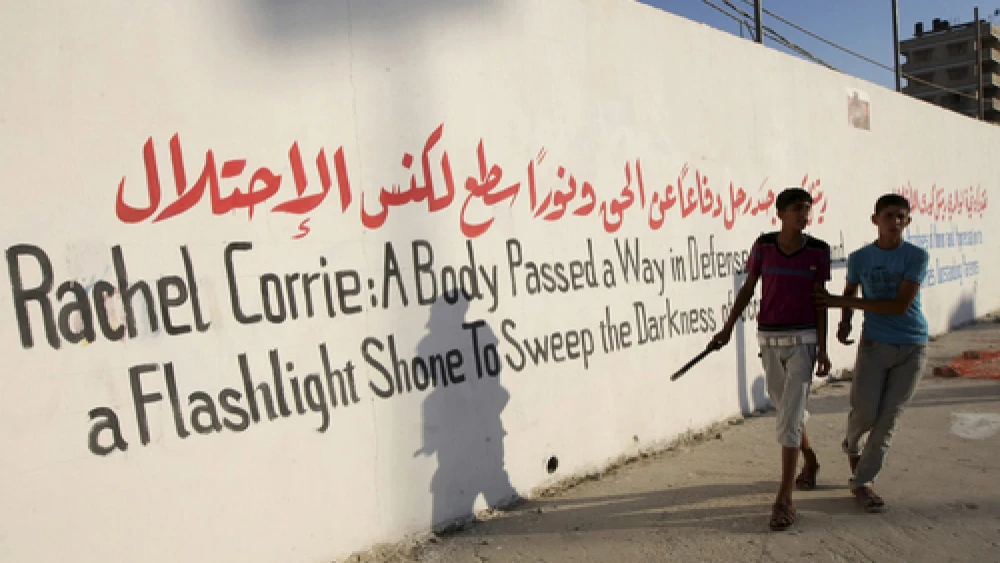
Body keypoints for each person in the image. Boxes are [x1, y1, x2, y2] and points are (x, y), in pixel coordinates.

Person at [710, 187, 832, 531]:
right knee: (787, 410)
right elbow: (749, 287)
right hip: (769, 338)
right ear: (780, 213)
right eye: (797, 209)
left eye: (807, 209)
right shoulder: (764, 246)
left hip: (804, 340)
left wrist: (823, 348)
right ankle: (809, 459)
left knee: (790, 415)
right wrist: (727, 328)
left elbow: (820, 300)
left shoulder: (819, 250)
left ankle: (784, 499)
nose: (803, 215)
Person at [814, 193, 929, 513]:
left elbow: (899, 305)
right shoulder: (860, 258)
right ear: (875, 219)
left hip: (913, 346)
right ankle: (852, 445)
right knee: (864, 412)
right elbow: (850, 289)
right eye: (889, 215)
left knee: (888, 419)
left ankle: (862, 482)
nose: (895, 222)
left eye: (901, 217)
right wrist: (845, 322)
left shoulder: (916, 256)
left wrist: (841, 303)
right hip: (875, 345)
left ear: (908, 221)